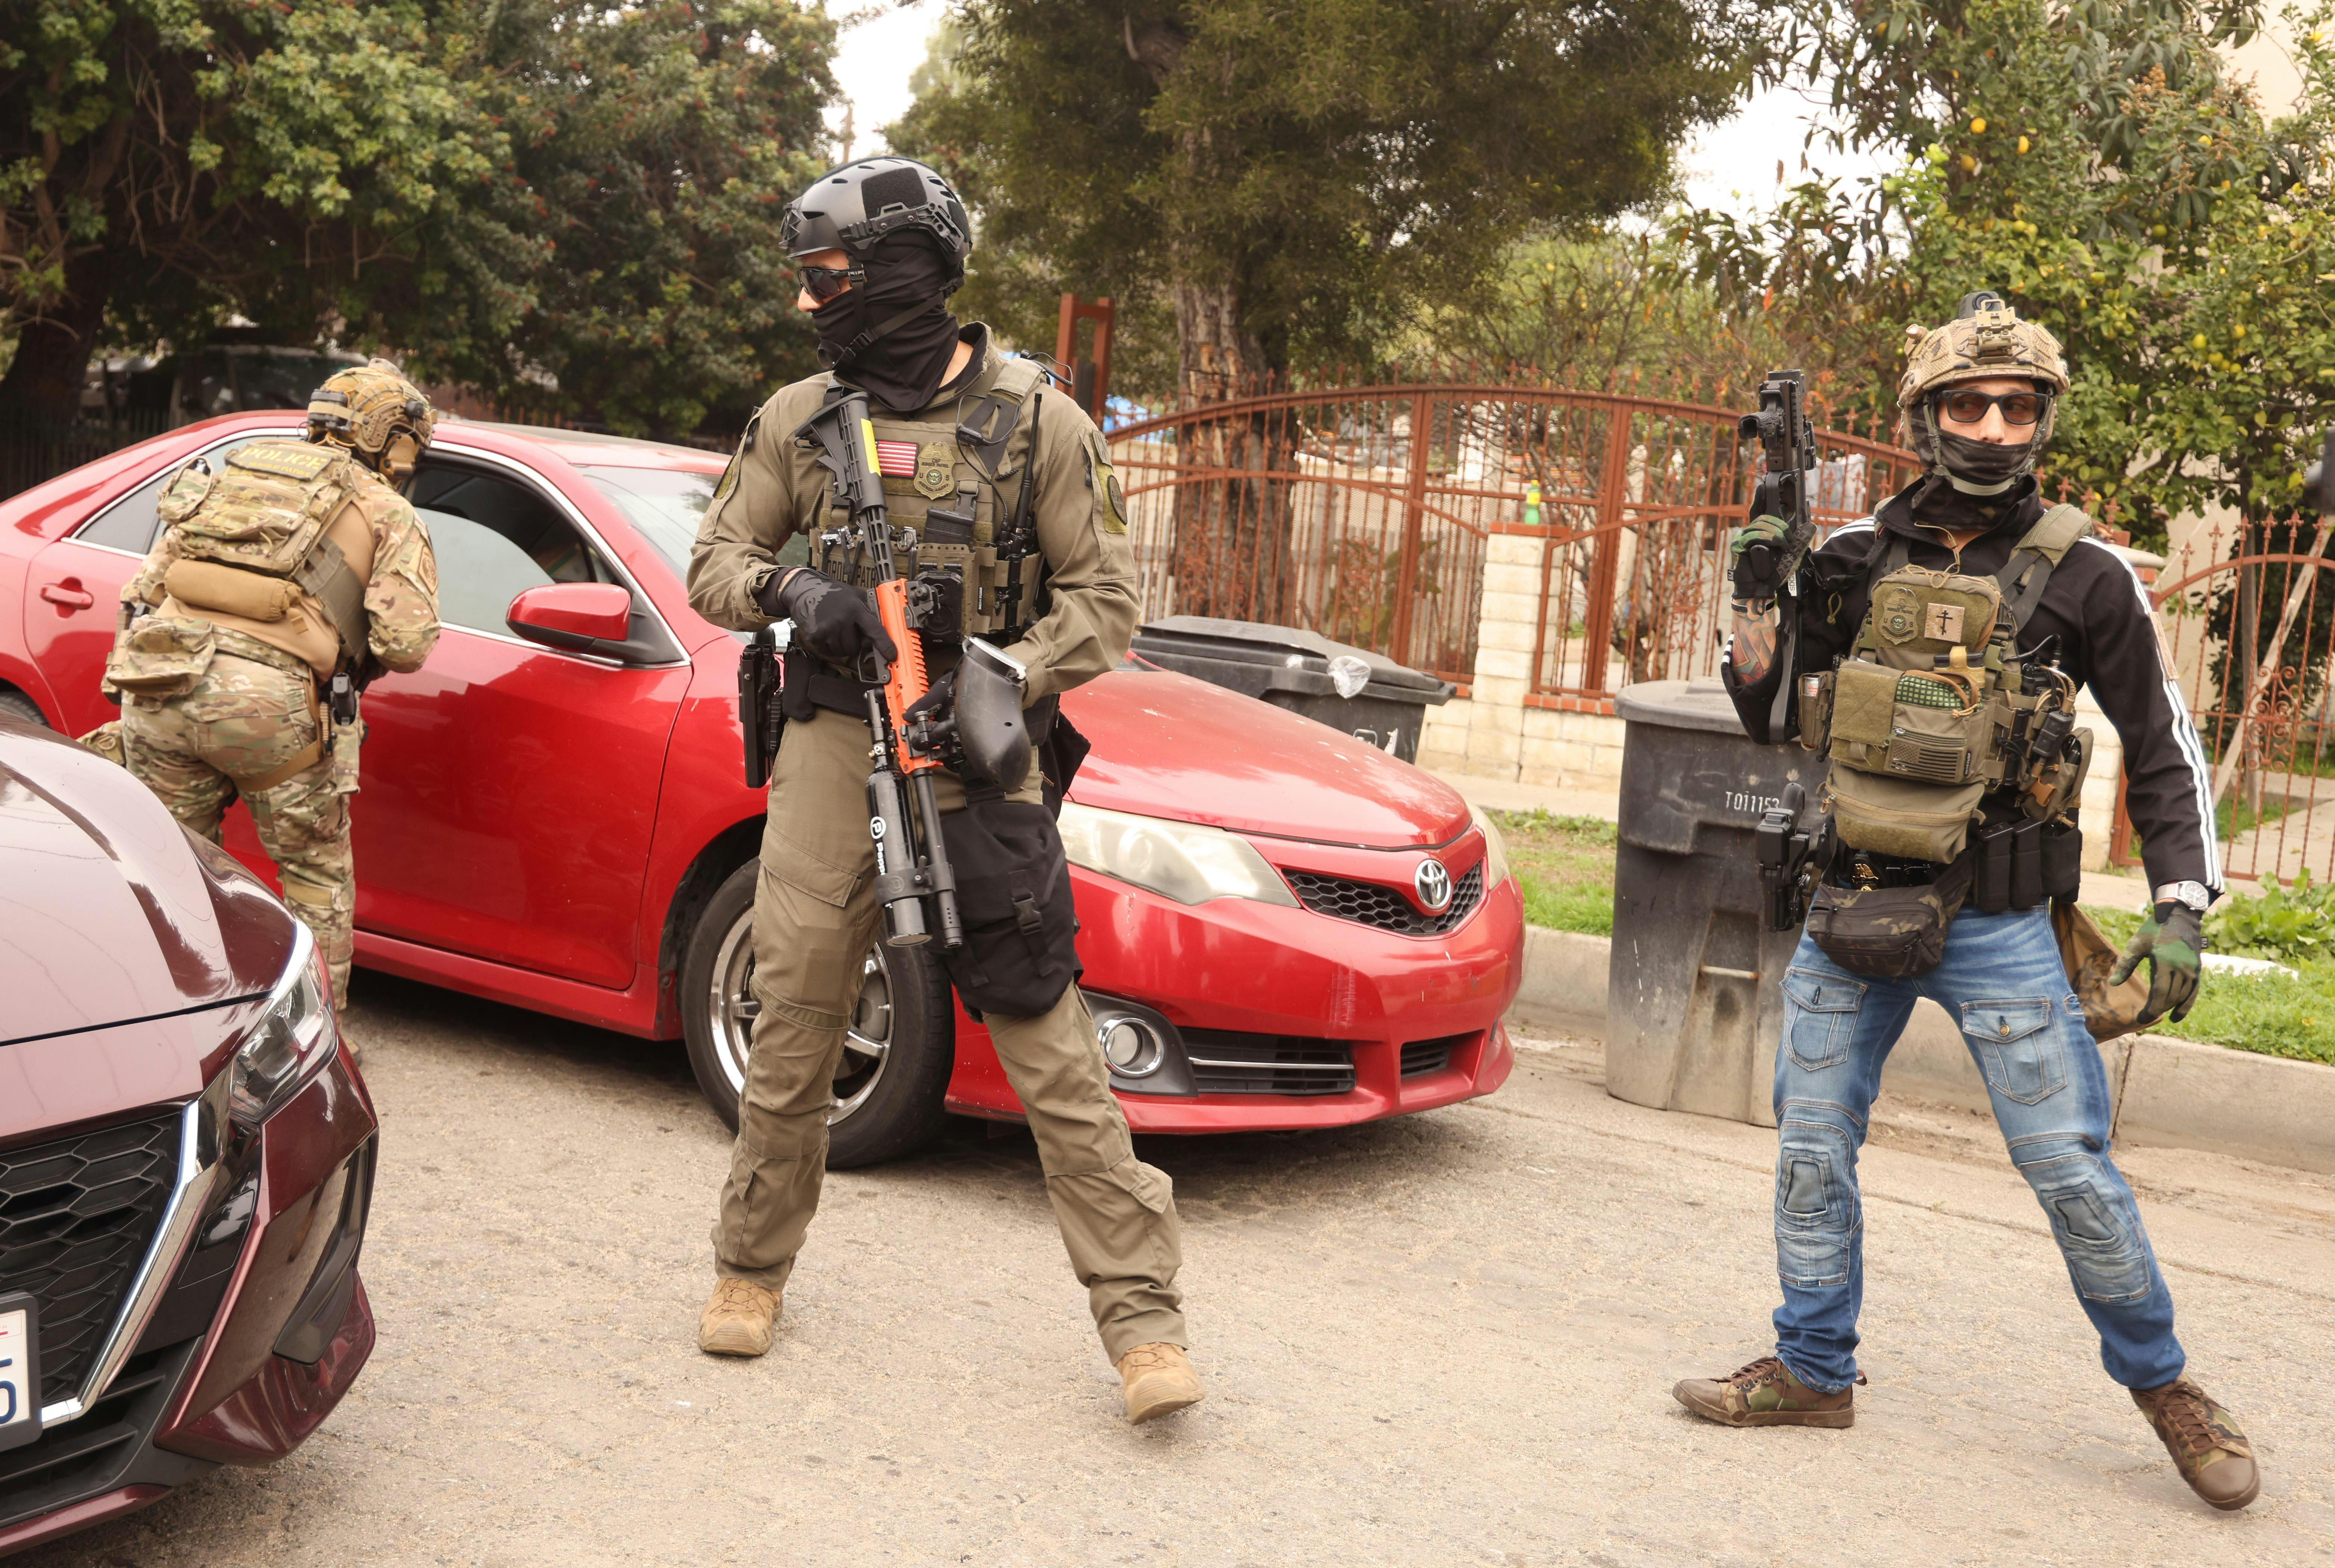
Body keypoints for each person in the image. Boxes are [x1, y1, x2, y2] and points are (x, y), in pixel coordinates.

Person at [1675, 295, 2258, 1512]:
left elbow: (2160, 746)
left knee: (2068, 1170)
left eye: (2013, 406)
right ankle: (1812, 1366)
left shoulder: (2085, 574)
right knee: (1809, 1147)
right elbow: (1767, 712)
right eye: (1964, 403)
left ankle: (2165, 1390)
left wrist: (2181, 902)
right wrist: (1753, 592)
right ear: (1924, 416)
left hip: (1999, 928)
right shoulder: (1850, 558)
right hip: (1851, 907)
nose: (1990, 427)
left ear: (2039, 420)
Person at [684, 156, 1201, 1425]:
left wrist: (1005, 676)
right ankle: (751, 1268)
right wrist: (799, 596)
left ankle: (1140, 1321)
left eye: (829, 279)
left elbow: (1106, 601)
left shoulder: (1040, 421)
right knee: (796, 1001)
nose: (813, 306)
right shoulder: (800, 416)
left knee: (1041, 1028)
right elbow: (716, 560)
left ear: (901, 272)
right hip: (824, 747)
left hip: (975, 757)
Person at [103, 359, 441, 1010]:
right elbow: (406, 645)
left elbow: (143, 592)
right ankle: (310, 1048)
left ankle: (155, 1023)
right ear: (390, 436)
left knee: (169, 870)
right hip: (271, 712)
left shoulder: (236, 473)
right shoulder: (387, 510)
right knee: (315, 874)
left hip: (159, 682)